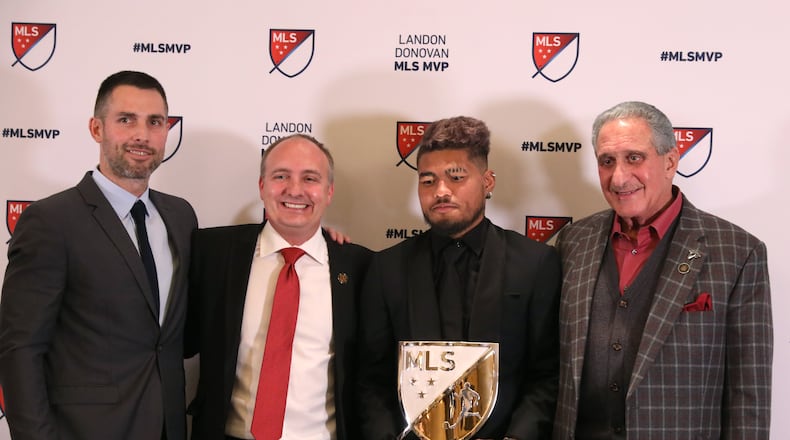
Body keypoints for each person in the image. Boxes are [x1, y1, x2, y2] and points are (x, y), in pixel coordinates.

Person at [552, 101, 773, 439]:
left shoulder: (738, 252)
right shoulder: (572, 241)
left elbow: (749, 395)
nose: (619, 177)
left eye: (634, 158)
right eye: (607, 161)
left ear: (670, 161)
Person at [0, 70, 198, 439]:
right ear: (97, 129)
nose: (142, 134)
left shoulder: (181, 216)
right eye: (126, 120)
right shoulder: (50, 221)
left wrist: (318, 242)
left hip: (169, 428)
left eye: (155, 122)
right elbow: (20, 350)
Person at [356, 116, 561, 440]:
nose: (441, 191)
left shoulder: (535, 264)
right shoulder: (386, 268)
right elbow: (371, 379)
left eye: (456, 177)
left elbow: (547, 375)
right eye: (428, 181)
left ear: (488, 181)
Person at [184, 134, 372, 440]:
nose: (294, 190)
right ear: (262, 186)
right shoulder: (212, 252)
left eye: (310, 178)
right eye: (280, 176)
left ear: (329, 192)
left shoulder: (361, 268)